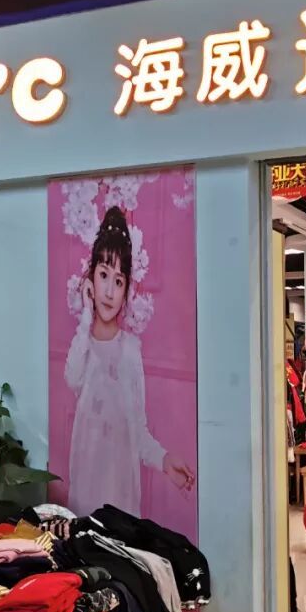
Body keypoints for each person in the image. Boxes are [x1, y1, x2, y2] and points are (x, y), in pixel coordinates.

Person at [65, 206, 196, 516]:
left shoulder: (130, 350)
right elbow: (71, 378)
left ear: (126, 291)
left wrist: (164, 460)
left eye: (119, 281)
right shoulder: (82, 346)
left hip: (122, 495)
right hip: (85, 492)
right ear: (90, 279)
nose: (109, 291)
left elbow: (138, 430)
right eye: (103, 275)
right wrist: (85, 320)